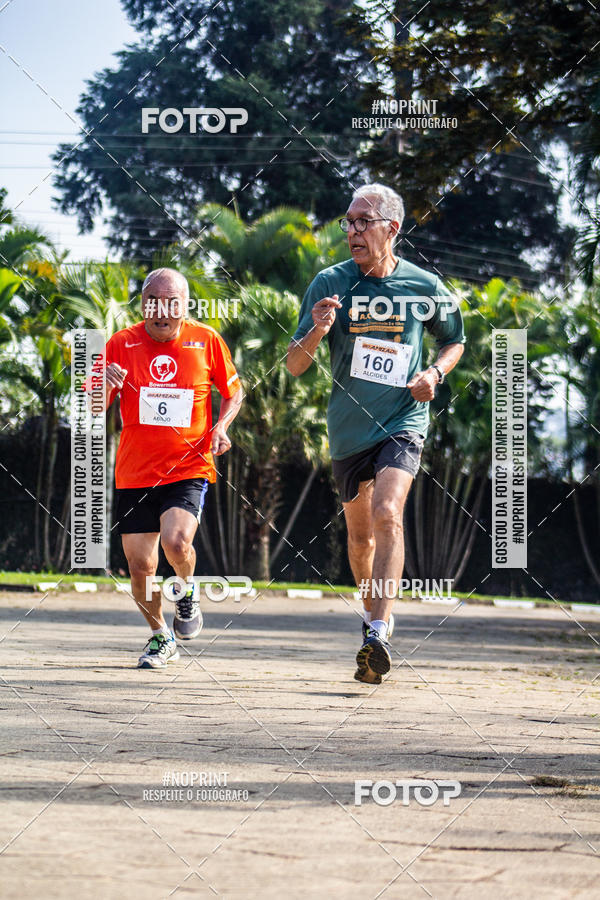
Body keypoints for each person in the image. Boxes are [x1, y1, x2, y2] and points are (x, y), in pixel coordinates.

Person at [287, 183, 465, 684]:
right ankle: (372, 619)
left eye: (364, 221)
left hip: (403, 421)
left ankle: (379, 631)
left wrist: (435, 374)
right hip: (348, 431)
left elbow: (455, 341)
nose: (353, 231)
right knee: (360, 536)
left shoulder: (424, 286)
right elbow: (296, 365)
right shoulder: (330, 282)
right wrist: (319, 328)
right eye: (348, 221)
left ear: (393, 228)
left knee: (389, 511)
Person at [101, 267, 243, 669]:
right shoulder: (121, 343)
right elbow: (94, 409)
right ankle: (160, 636)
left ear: (184, 306)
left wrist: (221, 426)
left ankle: (187, 589)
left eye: (171, 302)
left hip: (188, 466)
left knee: (177, 543)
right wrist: (104, 385)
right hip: (134, 473)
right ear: (143, 304)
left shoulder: (206, 340)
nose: (161, 311)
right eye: (153, 301)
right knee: (140, 564)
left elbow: (233, 391)